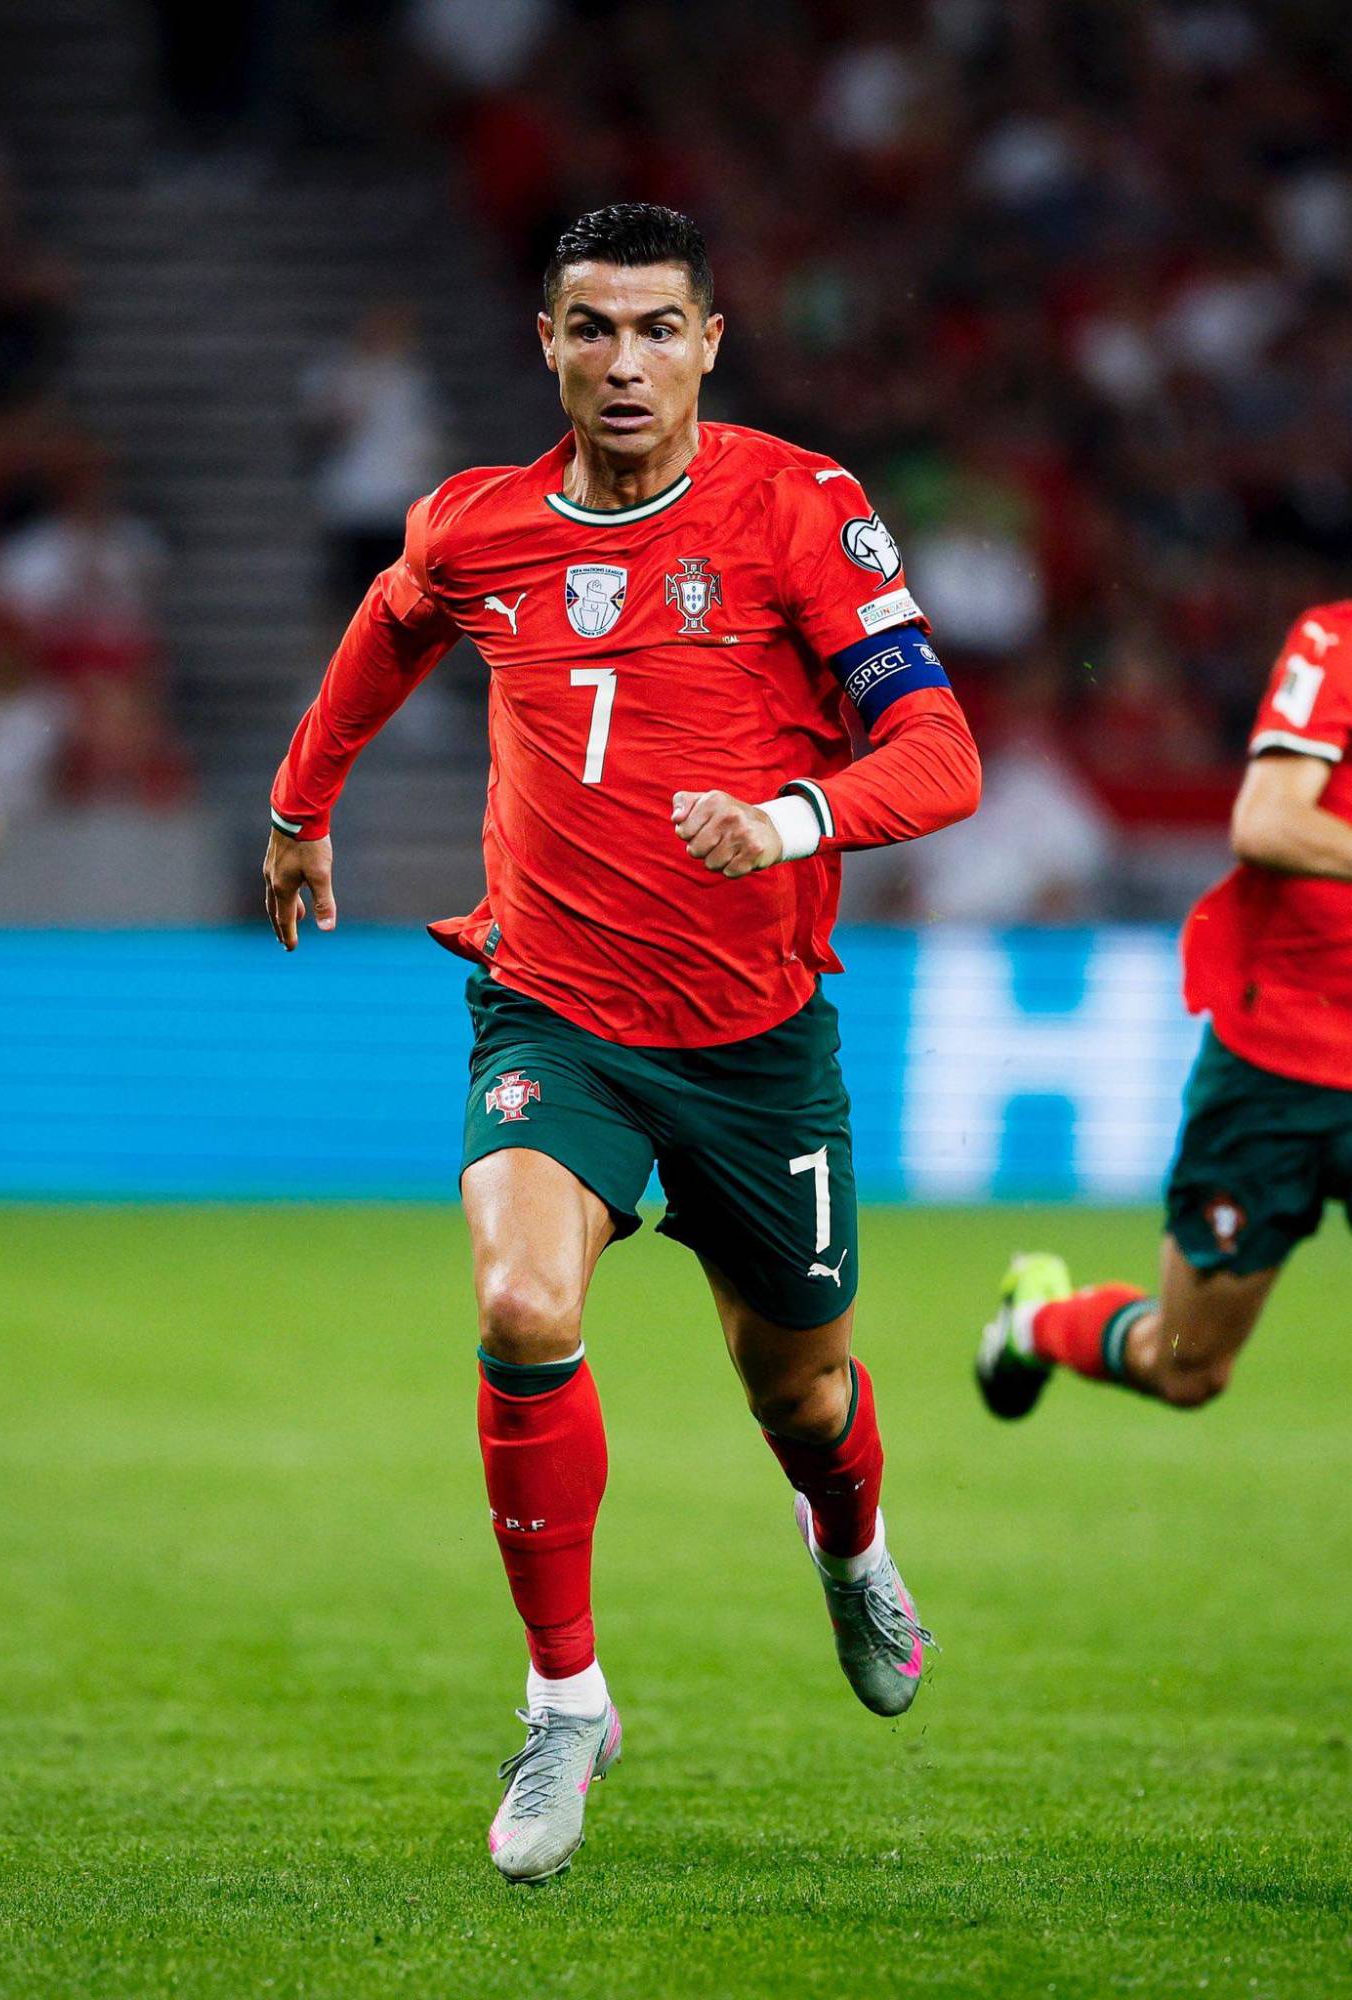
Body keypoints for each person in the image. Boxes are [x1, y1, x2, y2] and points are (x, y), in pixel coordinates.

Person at [264, 205, 982, 1884]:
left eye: (658, 329)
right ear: (545, 345)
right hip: (554, 1009)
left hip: (753, 1039)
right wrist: (302, 802)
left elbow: (941, 755)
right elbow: (389, 620)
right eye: (591, 329)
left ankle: (851, 1543)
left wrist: (799, 815)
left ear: (710, 343)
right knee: (520, 1301)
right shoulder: (480, 524)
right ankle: (566, 1700)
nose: (624, 363)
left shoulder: (801, 509)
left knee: (799, 1390)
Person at [977, 599, 1352, 1418]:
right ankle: (1041, 1321)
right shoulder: (1335, 642)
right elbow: (1267, 820)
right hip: (1280, 1060)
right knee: (1187, 1367)